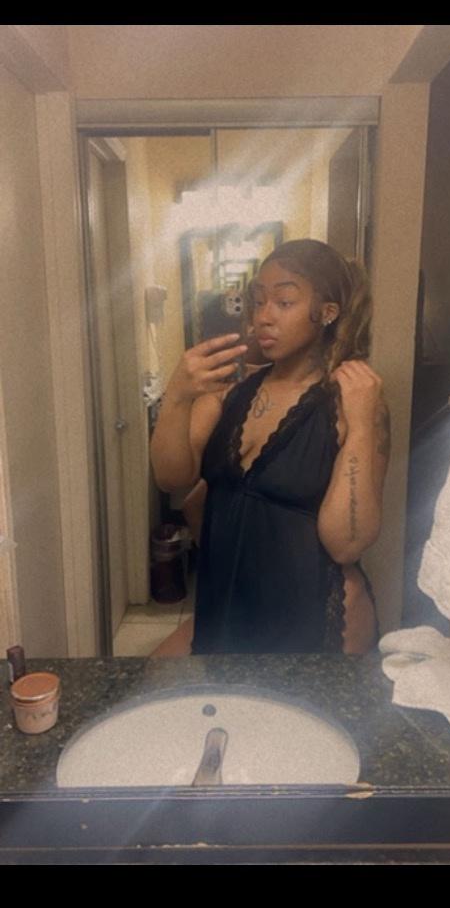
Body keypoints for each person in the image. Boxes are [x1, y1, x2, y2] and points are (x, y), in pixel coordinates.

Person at [151, 239, 391, 656]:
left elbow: (347, 544)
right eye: (258, 301)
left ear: (327, 312)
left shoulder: (350, 401)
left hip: (313, 617)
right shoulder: (231, 392)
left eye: (284, 302)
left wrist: (361, 427)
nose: (263, 316)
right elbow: (171, 477)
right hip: (228, 606)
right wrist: (177, 396)